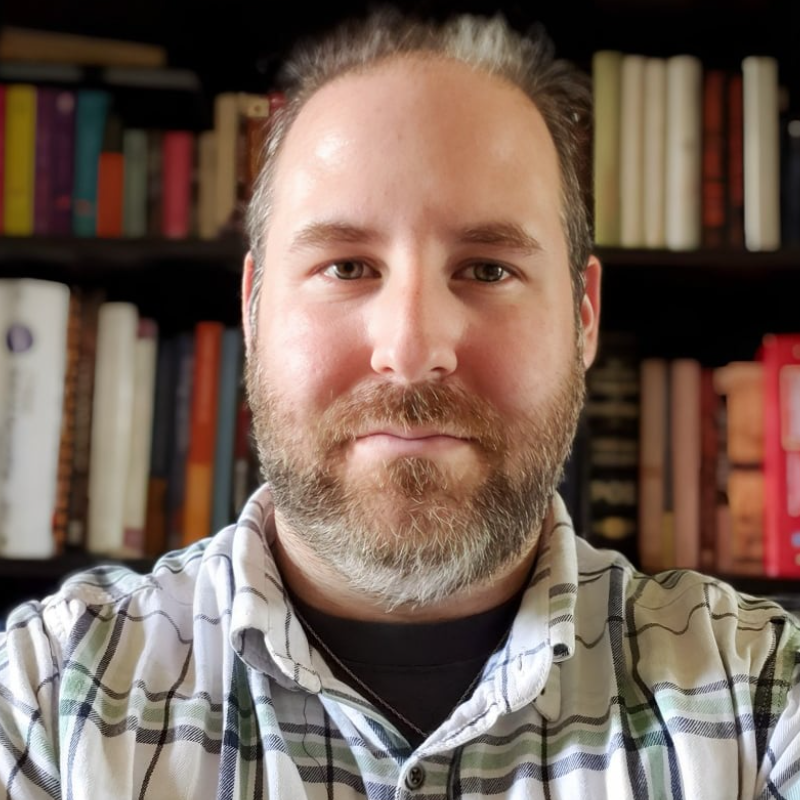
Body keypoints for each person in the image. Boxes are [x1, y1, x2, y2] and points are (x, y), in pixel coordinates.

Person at [1, 7, 799, 799]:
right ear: (252, 308)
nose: (413, 350)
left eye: (487, 270)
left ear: (585, 315)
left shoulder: (764, 693)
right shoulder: (41, 699)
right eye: (346, 267)